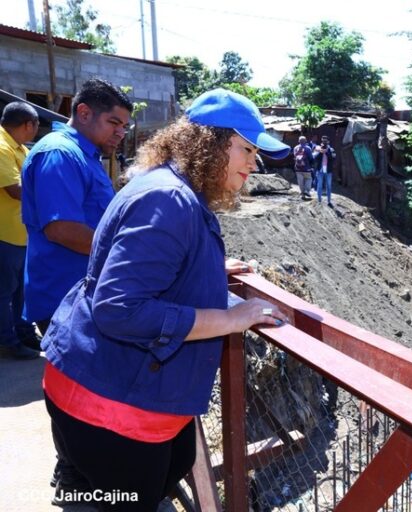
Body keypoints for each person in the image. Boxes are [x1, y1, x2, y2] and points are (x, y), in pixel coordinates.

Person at [41, 88, 292, 511]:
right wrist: (233, 319)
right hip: (109, 403)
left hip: (101, 383)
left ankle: (78, 490)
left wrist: (208, 270)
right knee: (137, 492)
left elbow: (156, 265)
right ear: (210, 144)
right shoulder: (170, 200)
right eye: (246, 149)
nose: (254, 163)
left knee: (173, 462)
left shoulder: (168, 187)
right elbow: (120, 308)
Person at [21, 78, 133, 501]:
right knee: (77, 394)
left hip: (82, 289)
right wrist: (127, 255)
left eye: (123, 125)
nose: (120, 132)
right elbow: (62, 227)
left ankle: (72, 469)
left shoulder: (84, 154)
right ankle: (76, 481)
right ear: (83, 112)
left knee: (80, 391)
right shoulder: (60, 155)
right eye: (113, 122)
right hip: (65, 292)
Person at [0, 101, 40, 359]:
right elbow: (15, 190)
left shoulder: (19, 148)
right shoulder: (2, 147)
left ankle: (22, 332)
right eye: (36, 127)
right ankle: (7, 341)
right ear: (28, 124)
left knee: (20, 291)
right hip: (5, 234)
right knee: (4, 293)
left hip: (20, 232)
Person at [314, 135, 336, 207]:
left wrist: (326, 152)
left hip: (328, 170)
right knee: (319, 185)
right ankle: (319, 200)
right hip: (320, 170)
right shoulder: (317, 148)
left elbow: (333, 158)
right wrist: (321, 152)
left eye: (325, 141)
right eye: (323, 141)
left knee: (328, 186)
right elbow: (315, 158)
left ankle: (329, 201)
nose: (324, 143)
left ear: (328, 142)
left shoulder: (331, 149)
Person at [293, 135, 313, 200]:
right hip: (306, 168)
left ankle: (302, 194)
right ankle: (307, 191)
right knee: (308, 179)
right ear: (306, 141)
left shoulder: (295, 148)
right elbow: (311, 158)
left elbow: (295, 156)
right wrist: (311, 165)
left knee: (300, 182)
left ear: (299, 141)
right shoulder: (308, 148)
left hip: (298, 168)